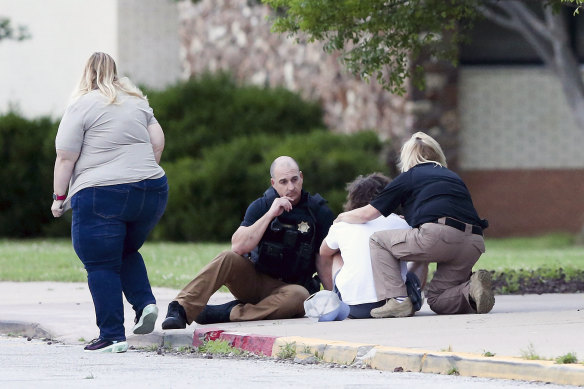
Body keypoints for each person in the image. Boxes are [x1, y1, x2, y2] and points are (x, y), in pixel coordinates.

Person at [51, 52, 168, 352]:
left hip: (101, 193)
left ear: (86, 73)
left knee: (100, 261)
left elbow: (65, 157)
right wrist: (139, 173)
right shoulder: (137, 101)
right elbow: (158, 142)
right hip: (151, 190)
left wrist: (59, 198)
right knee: (125, 248)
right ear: (115, 72)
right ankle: (145, 305)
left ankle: (112, 335)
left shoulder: (81, 104)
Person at [161, 156, 335, 329]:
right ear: (273, 183)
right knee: (227, 257)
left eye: (294, 179)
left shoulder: (319, 212)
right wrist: (270, 215)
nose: (291, 187)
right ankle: (180, 309)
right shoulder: (261, 206)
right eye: (283, 181)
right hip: (255, 280)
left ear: (302, 177)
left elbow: (324, 260)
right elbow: (238, 246)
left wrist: (335, 300)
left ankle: (228, 312)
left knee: (300, 296)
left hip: (290, 290)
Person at [335, 132, 493, 318]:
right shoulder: (453, 177)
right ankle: (471, 290)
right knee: (437, 298)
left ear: (407, 157)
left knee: (378, 241)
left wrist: (341, 216)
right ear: (437, 153)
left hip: (439, 236)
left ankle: (398, 301)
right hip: (473, 242)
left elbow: (367, 214)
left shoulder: (410, 176)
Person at [319, 173, 424, 319]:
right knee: (420, 256)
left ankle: (336, 300)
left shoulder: (341, 225)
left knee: (335, 253)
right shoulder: (400, 223)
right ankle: (410, 299)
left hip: (353, 308)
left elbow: (323, 252)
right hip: (392, 299)